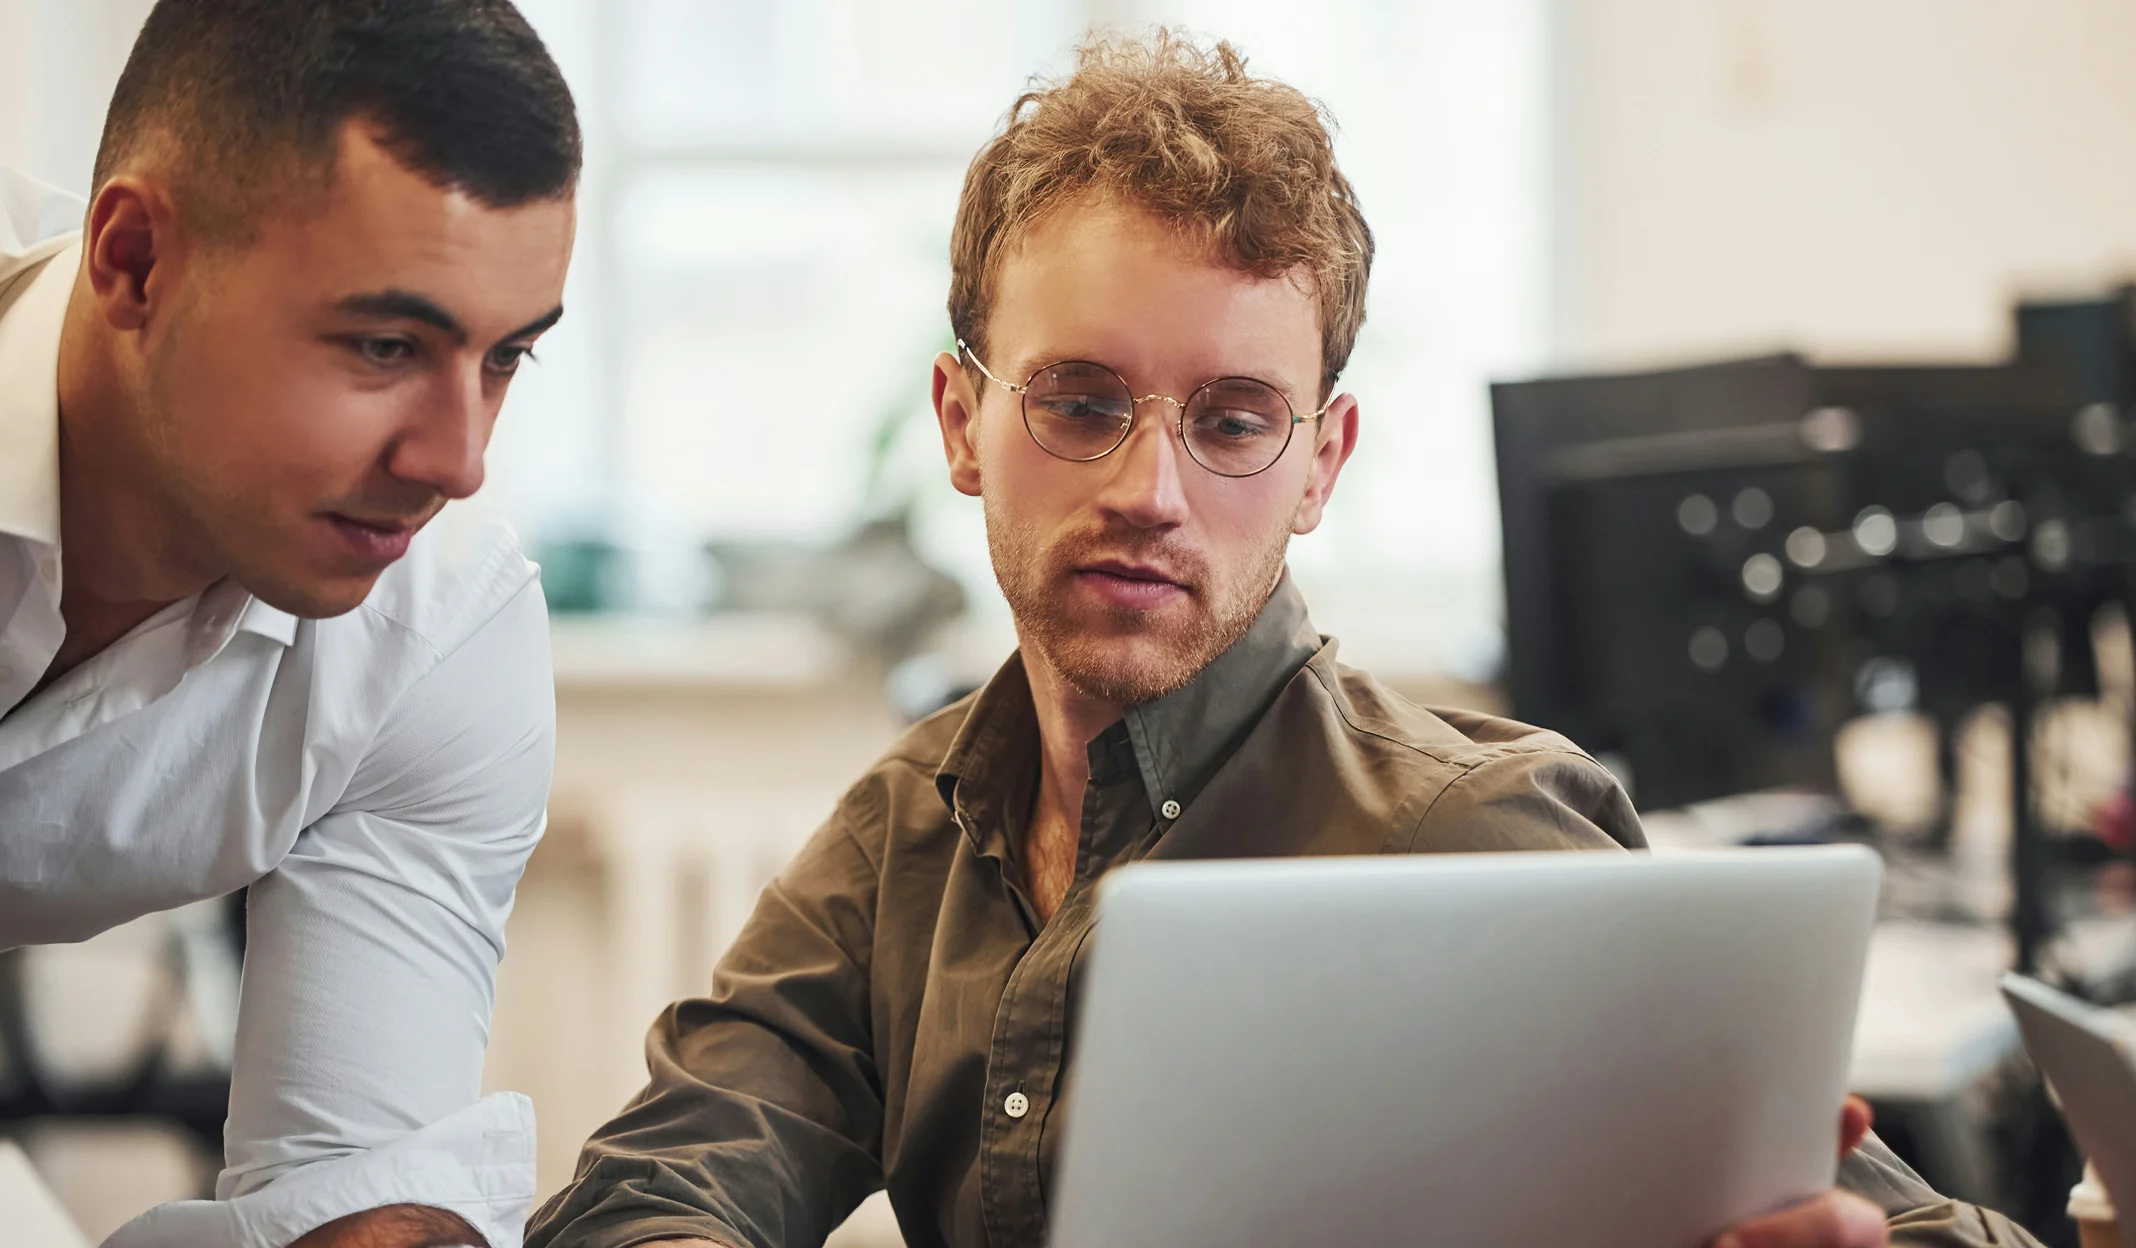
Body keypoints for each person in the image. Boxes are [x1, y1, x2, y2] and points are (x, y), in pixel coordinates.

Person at [526, 32, 2043, 1248]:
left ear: (1322, 463)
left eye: (1237, 421)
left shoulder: (1473, 835)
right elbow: (652, 1190)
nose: (1149, 492)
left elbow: (1919, 1230)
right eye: (1079, 401)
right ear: (961, 422)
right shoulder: (905, 834)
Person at [0, 1, 578, 1244]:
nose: (459, 459)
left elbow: (357, 1191)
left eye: (505, 358)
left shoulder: (439, 631)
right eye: (384, 344)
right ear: (137, 261)